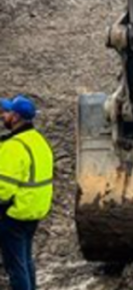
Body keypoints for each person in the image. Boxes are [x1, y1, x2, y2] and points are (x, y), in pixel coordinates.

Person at [0, 96, 53, 290]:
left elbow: (3, 189)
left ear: (15, 117)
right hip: (35, 209)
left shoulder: (14, 146)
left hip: (15, 213)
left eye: (6, 114)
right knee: (25, 259)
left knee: (15, 266)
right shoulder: (39, 141)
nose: (3, 118)